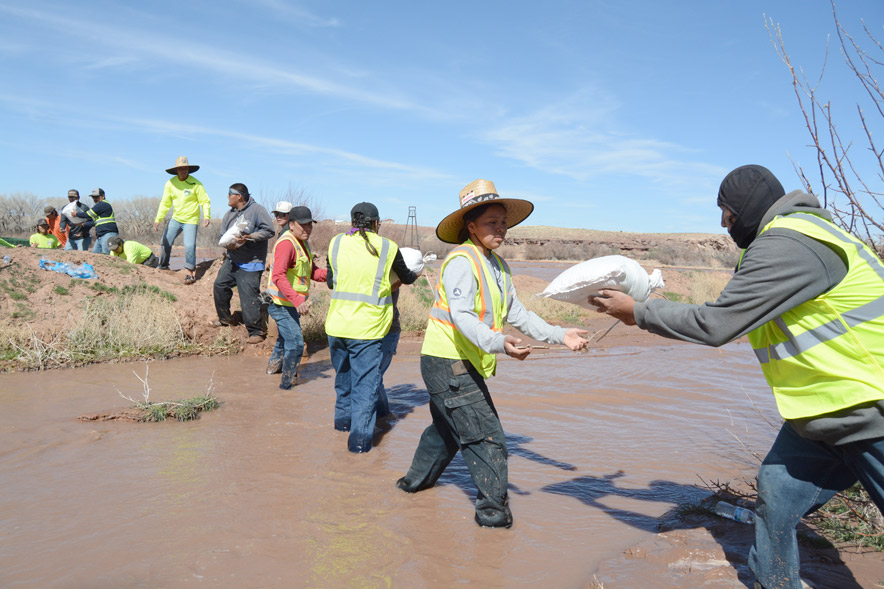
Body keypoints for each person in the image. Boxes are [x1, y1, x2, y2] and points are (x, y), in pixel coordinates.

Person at [589, 165, 884, 589]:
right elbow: (729, 311)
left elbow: (717, 324)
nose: (723, 224)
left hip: (870, 406)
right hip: (823, 411)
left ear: (746, 208)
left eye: (726, 212)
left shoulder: (790, 243)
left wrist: (638, 313)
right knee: (777, 493)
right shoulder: (787, 240)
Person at [396, 179, 589, 528]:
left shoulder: (498, 267)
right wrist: (501, 343)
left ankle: (408, 490)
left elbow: (521, 316)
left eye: (503, 222)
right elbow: (462, 316)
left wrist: (562, 334)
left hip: (464, 362)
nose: (500, 228)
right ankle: (494, 521)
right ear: (471, 226)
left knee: (446, 431)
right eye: (491, 222)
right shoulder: (461, 261)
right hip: (446, 361)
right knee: (488, 438)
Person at [325, 202, 419, 453]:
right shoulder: (388, 247)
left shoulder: (335, 243)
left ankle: (340, 431)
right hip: (367, 330)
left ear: (352, 223)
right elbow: (407, 277)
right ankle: (358, 448)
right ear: (377, 224)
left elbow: (331, 282)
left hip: (336, 326)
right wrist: (414, 274)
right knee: (365, 390)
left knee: (343, 383)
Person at [266, 206, 327, 389]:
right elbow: (278, 276)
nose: (307, 229)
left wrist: (332, 276)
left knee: (284, 340)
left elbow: (312, 272)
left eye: (310, 225)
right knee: (296, 344)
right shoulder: (287, 244)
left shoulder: (302, 243)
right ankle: (287, 384)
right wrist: (298, 299)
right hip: (280, 304)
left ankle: (272, 370)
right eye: (303, 225)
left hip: (288, 303)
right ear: (291, 225)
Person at [212, 183, 275, 343]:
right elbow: (223, 236)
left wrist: (249, 237)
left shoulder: (257, 210)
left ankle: (256, 332)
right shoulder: (228, 215)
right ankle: (225, 319)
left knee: (248, 296)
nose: (227, 197)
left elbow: (269, 230)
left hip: (251, 262)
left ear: (238, 196)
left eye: (229, 194)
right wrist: (229, 244)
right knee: (220, 286)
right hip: (232, 260)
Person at [154, 156, 211, 284]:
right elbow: (165, 203)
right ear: (177, 170)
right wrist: (158, 219)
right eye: (181, 169)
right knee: (165, 242)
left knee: (190, 245)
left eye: (185, 168)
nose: (183, 171)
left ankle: (190, 273)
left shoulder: (196, 184)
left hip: (191, 219)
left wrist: (207, 216)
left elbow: (205, 201)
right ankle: (163, 265)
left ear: (188, 169)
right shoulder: (170, 183)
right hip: (176, 218)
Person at [76, 188, 118, 254]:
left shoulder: (102, 204)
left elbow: (88, 214)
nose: (94, 199)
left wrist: (76, 214)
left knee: (106, 255)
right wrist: (83, 224)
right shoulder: (100, 206)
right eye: (93, 197)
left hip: (108, 234)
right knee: (95, 254)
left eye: (96, 197)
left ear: (103, 196)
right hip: (101, 236)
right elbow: (96, 222)